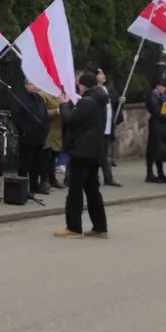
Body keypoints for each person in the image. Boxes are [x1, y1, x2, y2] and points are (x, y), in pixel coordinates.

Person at [56, 72, 109, 239]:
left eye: (79, 84)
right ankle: (100, 227)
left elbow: (71, 120)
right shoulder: (100, 100)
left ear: (83, 85)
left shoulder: (87, 101)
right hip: (94, 150)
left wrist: (64, 105)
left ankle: (73, 227)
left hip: (81, 150)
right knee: (93, 189)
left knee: (75, 189)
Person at [12, 79, 50, 194]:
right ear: (26, 85)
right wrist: (23, 130)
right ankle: (22, 188)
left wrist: (45, 129)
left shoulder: (39, 99)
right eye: (31, 84)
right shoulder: (20, 98)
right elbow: (16, 116)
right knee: (24, 163)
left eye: (36, 84)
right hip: (27, 136)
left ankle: (34, 186)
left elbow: (45, 114)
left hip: (39, 136)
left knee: (37, 163)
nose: (34, 87)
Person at [95, 68, 124, 188]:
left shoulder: (108, 89)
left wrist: (120, 101)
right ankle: (93, 177)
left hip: (108, 126)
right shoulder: (94, 90)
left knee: (105, 155)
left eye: (103, 73)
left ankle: (108, 177)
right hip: (98, 128)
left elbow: (115, 102)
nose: (103, 75)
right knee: (96, 154)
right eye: (100, 74)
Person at [145, 79, 166, 184]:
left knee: (159, 149)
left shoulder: (162, 96)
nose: (164, 89)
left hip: (162, 126)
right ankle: (149, 174)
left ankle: (160, 173)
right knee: (152, 149)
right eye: (163, 87)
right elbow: (158, 112)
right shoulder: (152, 96)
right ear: (157, 87)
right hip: (155, 125)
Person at [41, 90, 66, 190]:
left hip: (58, 131)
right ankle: (44, 180)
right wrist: (56, 111)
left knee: (53, 157)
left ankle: (53, 179)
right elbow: (41, 112)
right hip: (48, 132)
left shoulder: (60, 94)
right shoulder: (43, 95)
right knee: (46, 157)